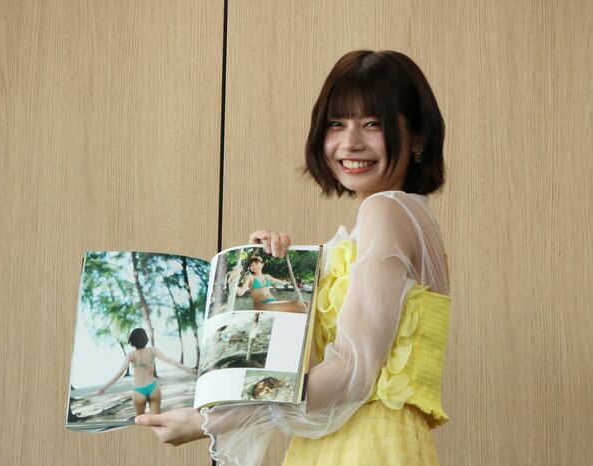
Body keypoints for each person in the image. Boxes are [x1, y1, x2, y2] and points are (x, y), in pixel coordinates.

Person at [135, 49, 451, 466]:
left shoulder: (386, 211)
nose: (350, 142)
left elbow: (351, 373)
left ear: (419, 138)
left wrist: (209, 420)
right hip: (360, 441)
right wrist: (277, 270)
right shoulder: (405, 217)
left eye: (372, 123)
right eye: (336, 123)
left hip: (364, 446)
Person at [97, 328, 198, 415]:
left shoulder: (131, 355)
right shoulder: (152, 350)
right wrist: (189, 370)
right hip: (153, 388)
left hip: (138, 391)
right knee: (156, 420)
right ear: (145, 339)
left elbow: (121, 372)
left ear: (132, 341)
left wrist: (104, 388)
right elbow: (170, 361)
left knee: (140, 420)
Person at [228, 256, 308, 312]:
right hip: (261, 305)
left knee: (307, 305)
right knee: (299, 305)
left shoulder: (267, 276)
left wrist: (290, 282)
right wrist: (231, 281)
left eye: (256, 263)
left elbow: (279, 281)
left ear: (262, 264)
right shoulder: (250, 277)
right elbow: (241, 292)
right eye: (251, 265)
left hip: (274, 301)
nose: (254, 266)